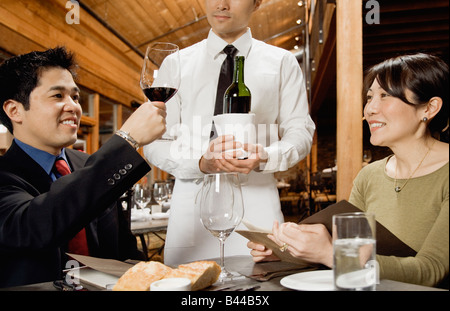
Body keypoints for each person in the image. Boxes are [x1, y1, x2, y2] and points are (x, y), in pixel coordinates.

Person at [248, 53, 449, 287]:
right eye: (370, 97)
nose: (370, 109)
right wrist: (288, 251)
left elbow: (432, 270)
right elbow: (356, 257)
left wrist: (330, 253)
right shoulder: (370, 175)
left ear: (430, 107)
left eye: (385, 96)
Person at [144, 0, 315, 265]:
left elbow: (300, 134)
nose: (221, 4)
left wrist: (267, 156)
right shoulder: (174, 64)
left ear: (257, 3)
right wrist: (200, 163)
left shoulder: (283, 62)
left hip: (257, 214)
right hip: (191, 213)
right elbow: (154, 142)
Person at [0, 47, 166, 287]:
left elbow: (123, 248)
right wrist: (127, 140)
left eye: (75, 97)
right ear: (14, 110)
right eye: (58, 96)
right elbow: (36, 225)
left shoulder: (88, 165)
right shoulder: (6, 175)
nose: (74, 107)